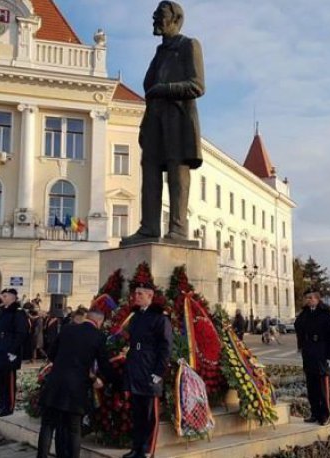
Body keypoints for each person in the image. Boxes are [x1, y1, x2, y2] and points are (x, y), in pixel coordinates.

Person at [121, 0, 205, 245]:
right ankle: (148, 228)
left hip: (177, 119)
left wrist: (164, 89)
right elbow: (149, 89)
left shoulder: (189, 45)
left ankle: (178, 230)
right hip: (154, 120)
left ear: (176, 19)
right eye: (155, 14)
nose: (155, 18)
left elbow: (197, 85)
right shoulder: (159, 53)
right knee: (149, 172)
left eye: (160, 14)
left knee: (178, 173)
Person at [37, 307, 118, 458]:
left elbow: (52, 354)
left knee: (47, 425)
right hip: (77, 387)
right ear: (99, 321)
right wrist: (111, 381)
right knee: (74, 429)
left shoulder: (67, 329)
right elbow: (104, 365)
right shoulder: (98, 336)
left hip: (55, 383)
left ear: (87, 317)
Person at [121, 279, 173, 458]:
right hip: (136, 370)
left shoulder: (160, 318)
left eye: (140, 294)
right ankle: (136, 448)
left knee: (150, 416)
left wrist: (159, 373)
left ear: (150, 296)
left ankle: (146, 450)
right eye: (135, 293)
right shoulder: (135, 317)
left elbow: (165, 347)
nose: (136, 296)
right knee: (137, 415)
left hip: (150, 371)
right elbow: (133, 345)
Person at [296, 288, 330, 426]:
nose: (308, 300)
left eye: (310, 298)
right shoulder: (305, 313)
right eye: (306, 298)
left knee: (322, 387)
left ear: (317, 298)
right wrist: (301, 346)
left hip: (322, 353)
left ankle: (324, 415)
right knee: (311, 386)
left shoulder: (326, 313)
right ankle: (314, 413)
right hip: (309, 353)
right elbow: (298, 327)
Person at [0, 288, 29, 417]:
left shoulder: (18, 313)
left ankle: (9, 407)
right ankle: (2, 405)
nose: (2, 298)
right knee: (1, 381)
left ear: (12, 297)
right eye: (2, 296)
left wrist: (13, 351)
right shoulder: (3, 312)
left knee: (9, 381)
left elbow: (21, 334)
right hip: (0, 351)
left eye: (5, 296)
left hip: (10, 353)